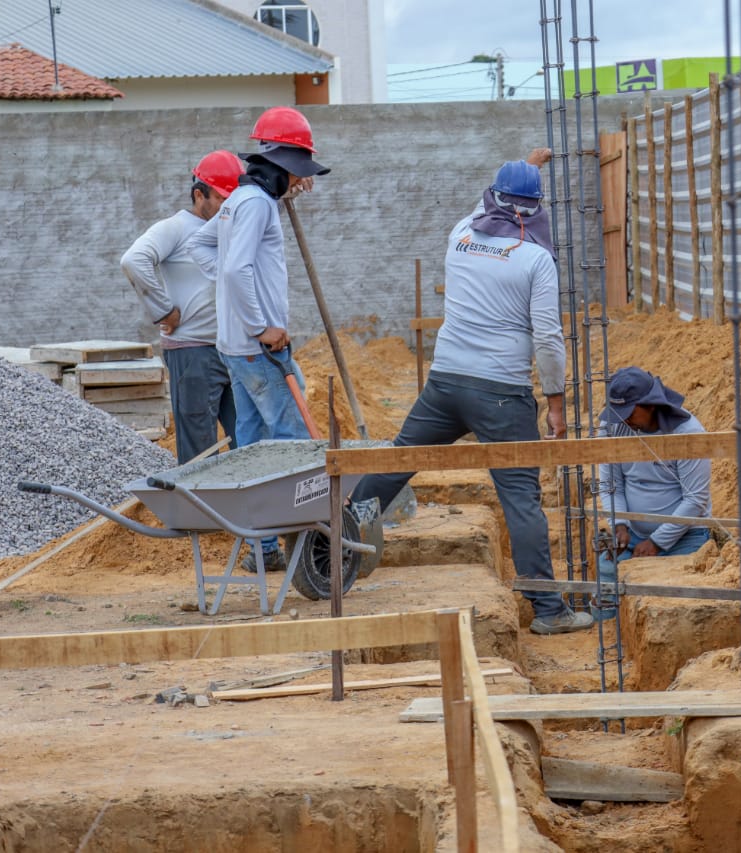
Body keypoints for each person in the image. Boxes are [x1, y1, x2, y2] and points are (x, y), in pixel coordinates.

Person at [347, 150, 593, 635]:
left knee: (396, 461)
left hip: (444, 383)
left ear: (495, 199)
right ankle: (548, 611)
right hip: (501, 391)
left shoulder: (460, 233)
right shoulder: (536, 260)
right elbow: (546, 336)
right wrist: (556, 401)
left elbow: (486, 203)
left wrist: (521, 164)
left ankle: (330, 546)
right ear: (538, 208)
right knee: (521, 497)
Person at [186, 106, 328, 574]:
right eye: (299, 173)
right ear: (284, 166)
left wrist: (237, 304)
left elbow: (202, 248)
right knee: (288, 444)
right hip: (257, 347)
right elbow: (232, 266)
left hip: (236, 347)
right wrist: (260, 324)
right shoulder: (255, 204)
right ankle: (302, 553)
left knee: (250, 443)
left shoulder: (240, 200)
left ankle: (261, 547)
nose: (302, 182)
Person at [121, 151, 243, 464]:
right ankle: (201, 511)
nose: (226, 207)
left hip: (232, 349)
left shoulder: (229, 225)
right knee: (199, 450)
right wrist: (164, 310)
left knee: (247, 441)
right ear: (199, 194)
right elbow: (134, 260)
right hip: (192, 353)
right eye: (220, 198)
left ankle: (245, 511)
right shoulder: (175, 228)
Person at [592, 366, 713, 620]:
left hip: (685, 539)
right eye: (618, 412)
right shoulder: (612, 426)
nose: (622, 419)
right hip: (633, 536)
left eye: (629, 412)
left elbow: (695, 500)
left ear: (651, 404)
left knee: (672, 604)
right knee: (606, 575)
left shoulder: (687, 433)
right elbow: (610, 484)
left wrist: (657, 543)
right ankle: (601, 635)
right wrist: (620, 524)